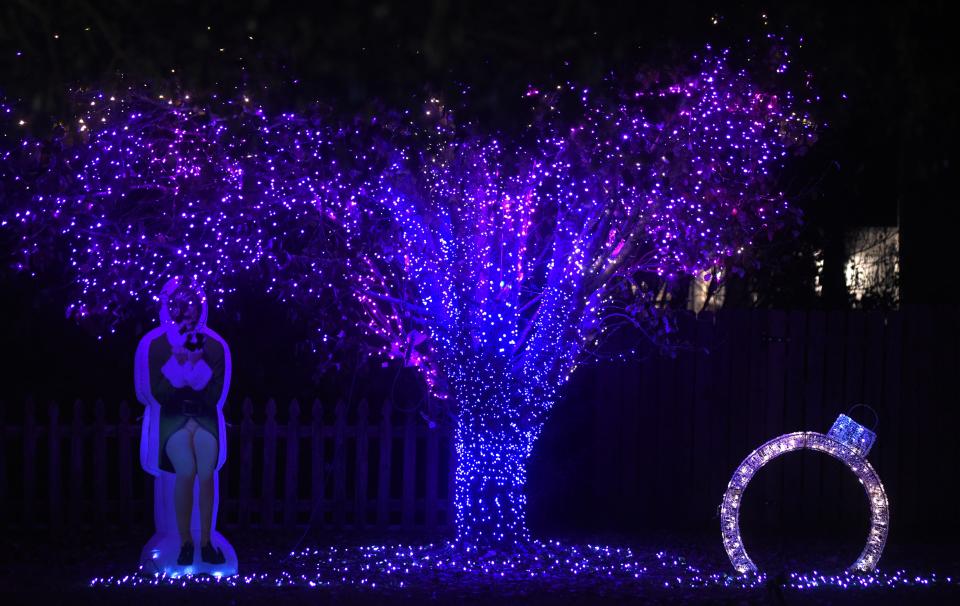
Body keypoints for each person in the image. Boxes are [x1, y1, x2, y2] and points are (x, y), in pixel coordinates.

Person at [135, 278, 230, 567]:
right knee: (184, 469)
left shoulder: (215, 345)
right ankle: (184, 541)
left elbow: (214, 391)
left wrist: (195, 366)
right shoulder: (154, 344)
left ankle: (205, 540)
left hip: (203, 417)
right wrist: (179, 364)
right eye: (178, 305)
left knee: (206, 469)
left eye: (191, 305)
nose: (185, 312)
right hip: (172, 417)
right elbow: (156, 390)